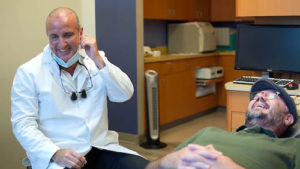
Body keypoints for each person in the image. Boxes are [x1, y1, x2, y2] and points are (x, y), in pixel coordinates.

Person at [11, 8, 149, 169]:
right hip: (59, 156)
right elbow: (23, 125)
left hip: (100, 148)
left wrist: (98, 60)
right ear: (48, 36)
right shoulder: (29, 72)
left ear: (81, 32)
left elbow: (124, 94)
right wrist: (55, 153)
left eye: (68, 35)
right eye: (54, 37)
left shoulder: (95, 61)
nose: (62, 44)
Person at [146, 79, 300, 169]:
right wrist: (165, 162)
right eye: (256, 96)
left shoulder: (292, 148)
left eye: (272, 95)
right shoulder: (209, 132)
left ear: (288, 119)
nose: (259, 97)